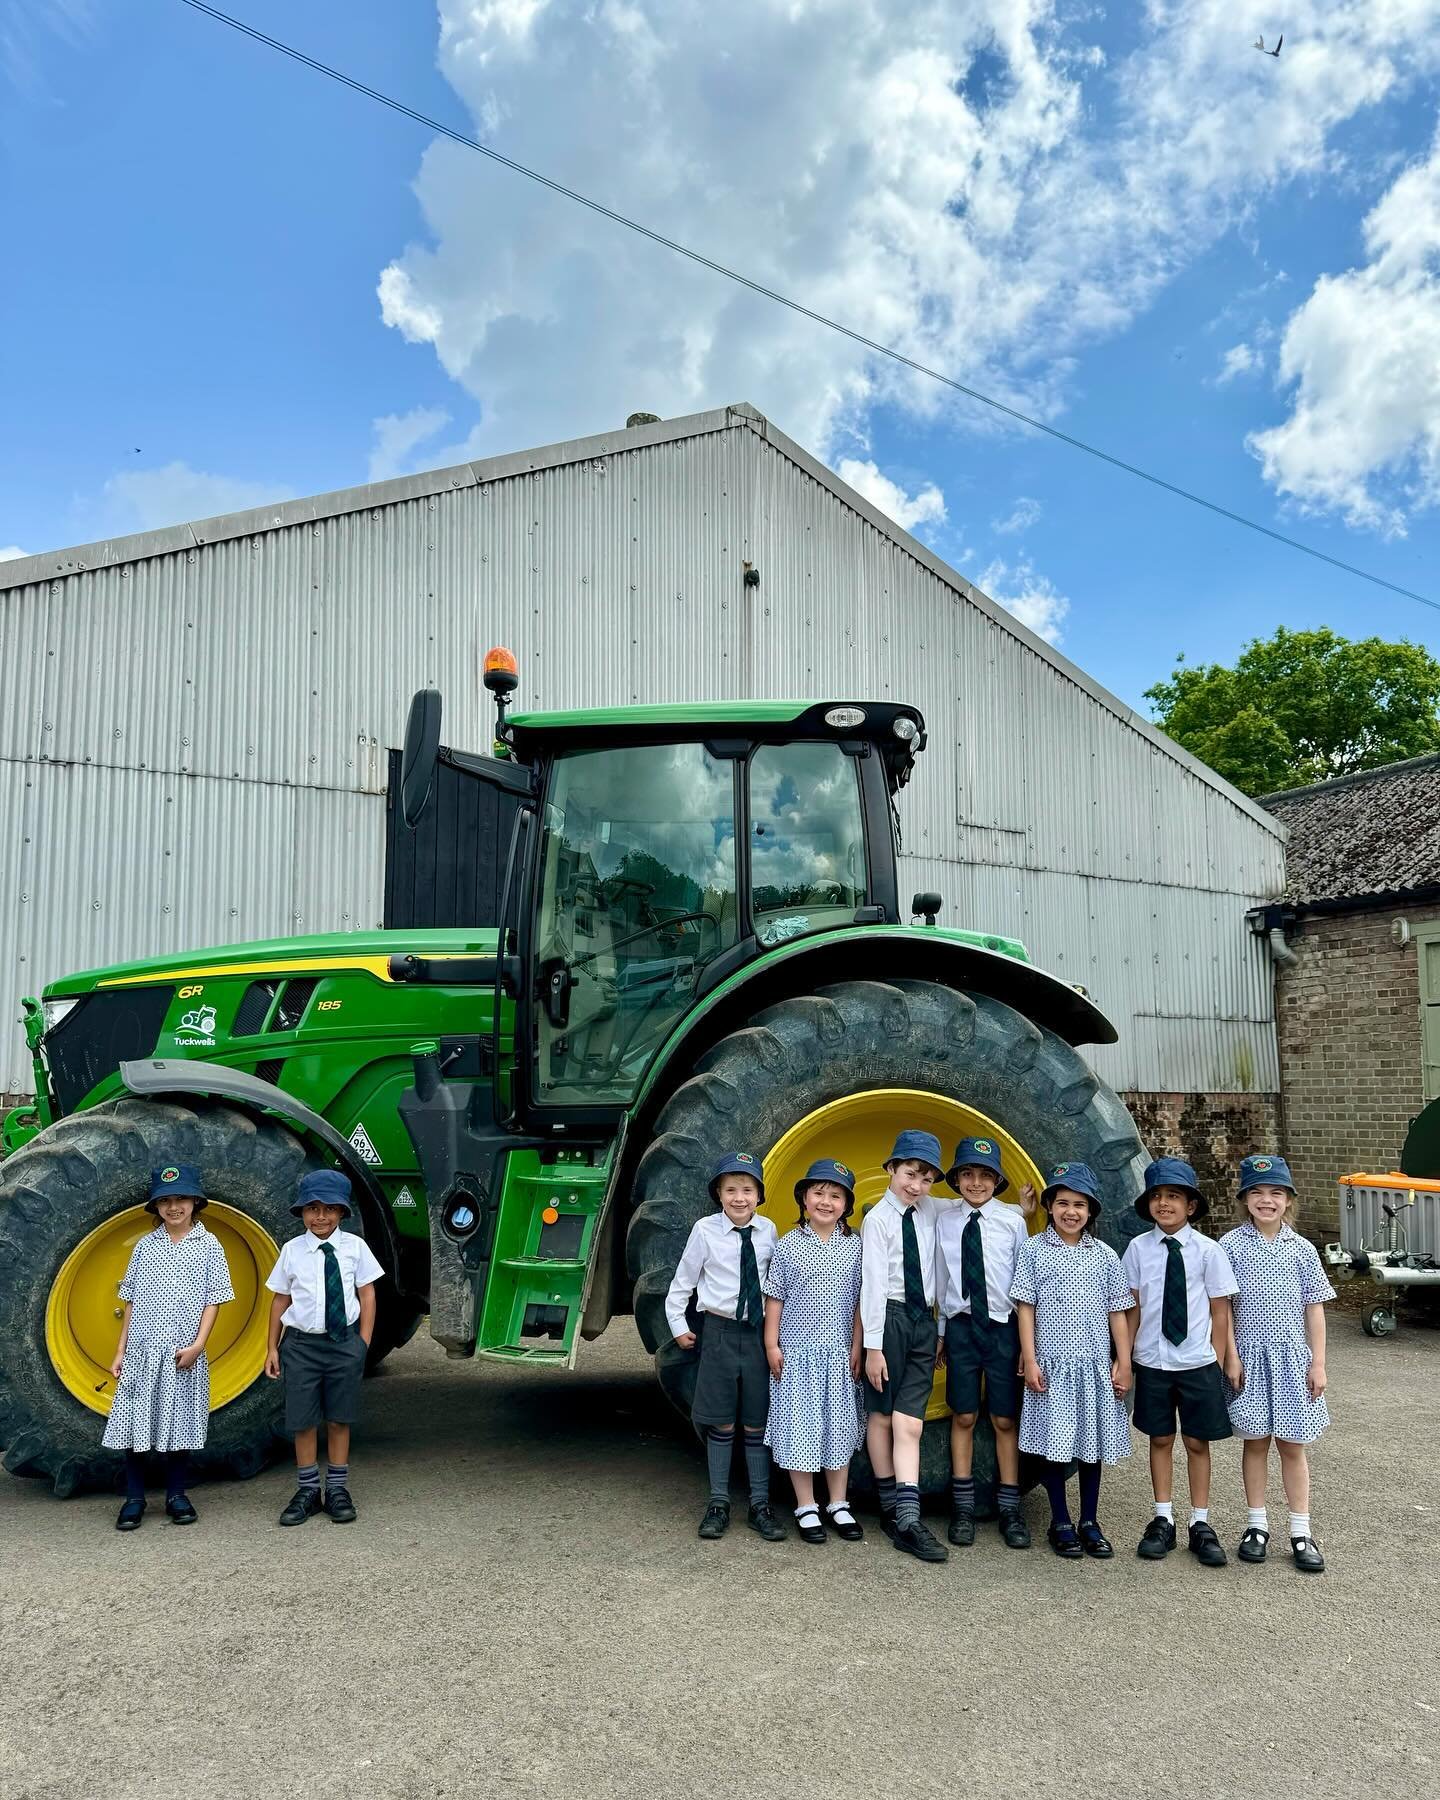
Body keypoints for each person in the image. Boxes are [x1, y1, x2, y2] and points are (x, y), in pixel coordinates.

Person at [1011, 1163, 1132, 1559]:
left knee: (1090, 1445)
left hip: (1094, 1364)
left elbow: (1117, 1311)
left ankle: (1090, 1521)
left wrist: (1124, 1361)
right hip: (1051, 1364)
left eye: (1079, 1204)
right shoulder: (1032, 1250)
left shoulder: (1105, 1256)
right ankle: (1060, 1520)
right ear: (1049, 1206)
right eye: (1062, 1202)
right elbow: (1025, 1308)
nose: (1071, 1212)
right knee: (1055, 1443)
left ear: (1091, 1211)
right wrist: (1029, 1358)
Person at [1220, 1154, 1333, 1574]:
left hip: (1291, 1362)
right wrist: (1230, 1355)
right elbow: (1224, 1309)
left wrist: (1317, 1363)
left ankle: (1301, 1531)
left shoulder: (1301, 1249)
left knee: (1292, 1446)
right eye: (1257, 1192)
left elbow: (1315, 1309)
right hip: (1249, 1360)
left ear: (1288, 1201)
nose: (1266, 1200)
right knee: (1255, 1442)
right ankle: (1256, 1526)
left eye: (1276, 1193)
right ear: (1245, 1200)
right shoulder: (1229, 1246)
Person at [1122, 1156, 1238, 1568]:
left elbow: (1220, 1310)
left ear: (1191, 1206)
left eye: (1174, 1196)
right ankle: (1163, 1518)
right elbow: (1131, 1306)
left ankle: (1201, 1523)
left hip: (1196, 1361)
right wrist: (1124, 1358)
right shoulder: (1138, 1249)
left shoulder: (1209, 1251)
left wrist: (1224, 1360)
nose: (1164, 1203)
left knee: (1196, 1441)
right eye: (1157, 1196)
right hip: (1152, 1360)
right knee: (1160, 1439)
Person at [105, 1163, 234, 1531]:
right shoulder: (145, 1247)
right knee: (135, 1426)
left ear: (195, 1202)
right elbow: (130, 1299)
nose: (173, 1207)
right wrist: (120, 1350)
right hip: (142, 1353)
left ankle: (177, 1494)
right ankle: (134, 1498)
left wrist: (198, 1344)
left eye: (180, 1199)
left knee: (180, 1424)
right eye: (165, 1201)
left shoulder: (209, 1246)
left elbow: (215, 1299)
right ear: (156, 1207)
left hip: (183, 1353)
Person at [665, 1151, 786, 1542]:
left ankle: (760, 1504)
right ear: (718, 1193)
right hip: (717, 1331)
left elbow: (777, 1286)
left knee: (756, 1421)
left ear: (759, 1195)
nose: (739, 1197)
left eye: (748, 1189)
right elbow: (683, 1282)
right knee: (721, 1421)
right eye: (731, 1189)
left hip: (757, 1334)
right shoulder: (704, 1231)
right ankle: (718, 1502)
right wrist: (679, 1325)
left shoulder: (769, 1231)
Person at [264, 1169, 383, 1526]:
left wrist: (363, 1341)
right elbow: (279, 1300)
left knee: (339, 1418)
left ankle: (337, 1488)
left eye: (329, 1209)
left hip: (343, 1343)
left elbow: (367, 1293)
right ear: (301, 1212)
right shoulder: (292, 1251)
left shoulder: (355, 1248)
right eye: (312, 1209)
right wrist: (272, 1347)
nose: (320, 1216)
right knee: (302, 1421)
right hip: (301, 1346)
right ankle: (307, 1490)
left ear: (342, 1213)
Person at [934, 1135, 1034, 1549]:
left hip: (1002, 1328)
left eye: (985, 1175)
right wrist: (941, 1333)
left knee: (1005, 1419)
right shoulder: (945, 1219)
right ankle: (963, 1506)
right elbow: (941, 1278)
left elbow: (1026, 1283)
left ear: (997, 1180)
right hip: (959, 1328)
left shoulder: (1012, 1222)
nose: (976, 1183)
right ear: (957, 1180)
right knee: (963, 1416)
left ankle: (1010, 1507)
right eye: (968, 1174)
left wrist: (1030, 1347)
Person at [762, 1157, 866, 1543]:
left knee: (839, 1429)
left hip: (839, 1355)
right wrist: (772, 1343)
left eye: (835, 1196)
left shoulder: (854, 1247)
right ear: (804, 1199)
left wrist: (857, 1345)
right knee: (800, 1429)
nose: (826, 1201)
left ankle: (838, 1503)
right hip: (798, 1355)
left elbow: (859, 1301)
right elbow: (775, 1298)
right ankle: (806, 1506)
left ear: (846, 1204)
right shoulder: (788, 1245)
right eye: (819, 1193)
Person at [860, 1128, 951, 1562]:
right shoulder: (877, 1220)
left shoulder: (930, 1208)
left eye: (927, 1178)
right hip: (890, 1319)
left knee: (909, 1421)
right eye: (910, 1174)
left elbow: (969, 1204)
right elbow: (873, 1288)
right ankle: (893, 1508)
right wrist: (873, 1348)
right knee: (880, 1413)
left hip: (923, 1320)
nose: (916, 1185)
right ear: (891, 1169)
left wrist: (1019, 1208)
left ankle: (908, 1515)